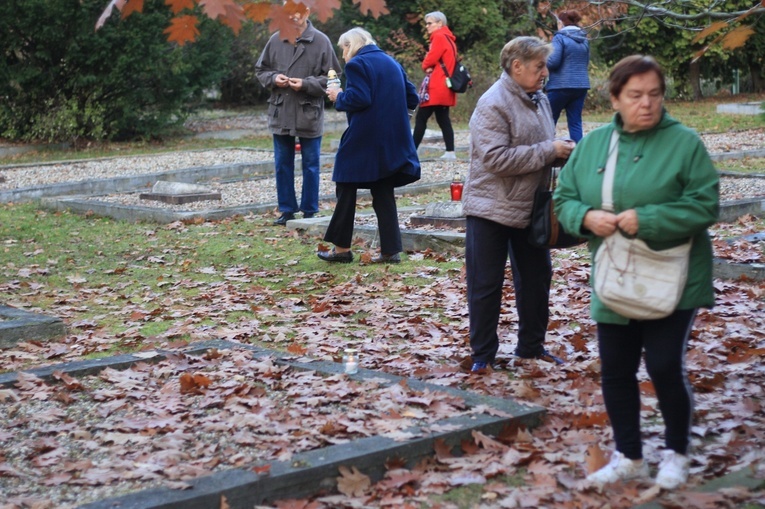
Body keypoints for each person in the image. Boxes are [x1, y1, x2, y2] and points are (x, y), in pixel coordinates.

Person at [553, 55, 719, 490]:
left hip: (675, 276)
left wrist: (646, 220)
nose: (646, 104)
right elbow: (564, 198)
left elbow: (704, 205)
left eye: (654, 95)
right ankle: (629, 456)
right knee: (615, 370)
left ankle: (676, 453)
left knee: (664, 366)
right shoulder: (594, 145)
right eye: (635, 96)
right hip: (615, 275)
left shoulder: (684, 143)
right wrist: (586, 217)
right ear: (614, 98)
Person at [463, 36, 575, 373]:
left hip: (530, 208)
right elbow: (496, 159)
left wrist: (561, 153)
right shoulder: (492, 103)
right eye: (539, 65)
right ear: (517, 66)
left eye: (545, 65)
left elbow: (541, 148)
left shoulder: (539, 99)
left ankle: (531, 348)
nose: (545, 72)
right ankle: (482, 356)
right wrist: (549, 151)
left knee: (537, 278)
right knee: (486, 285)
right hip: (490, 208)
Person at [318, 28, 420, 264]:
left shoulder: (356, 65)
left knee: (345, 182)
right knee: (382, 189)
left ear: (350, 45)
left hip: (364, 137)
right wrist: (397, 117)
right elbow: (412, 96)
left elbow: (360, 98)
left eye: (343, 48)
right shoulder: (391, 62)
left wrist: (338, 96)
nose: (343, 54)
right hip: (391, 138)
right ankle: (390, 250)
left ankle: (342, 250)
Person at [255, 4, 341, 226]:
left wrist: (305, 84)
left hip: (308, 111)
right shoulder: (276, 39)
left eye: (297, 12)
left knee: (311, 164)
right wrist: (274, 79)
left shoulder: (321, 41)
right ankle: (286, 210)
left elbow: (332, 79)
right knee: (282, 163)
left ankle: (310, 210)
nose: (293, 17)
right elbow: (261, 70)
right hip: (281, 110)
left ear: (307, 13)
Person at [412, 11, 458, 160]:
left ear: (440, 23)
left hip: (436, 86)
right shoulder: (449, 39)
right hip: (446, 86)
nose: (427, 26)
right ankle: (450, 152)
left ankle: (411, 152)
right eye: (426, 23)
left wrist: (426, 66)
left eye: (430, 23)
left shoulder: (438, 37)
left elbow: (430, 59)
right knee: (443, 119)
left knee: (421, 118)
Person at [545, 10, 590, 143]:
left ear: (561, 22)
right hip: (581, 85)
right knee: (575, 122)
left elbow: (553, 62)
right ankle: (578, 157)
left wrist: (542, 62)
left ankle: (546, 152)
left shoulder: (560, 37)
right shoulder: (584, 39)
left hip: (560, 85)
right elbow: (585, 62)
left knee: (549, 120)